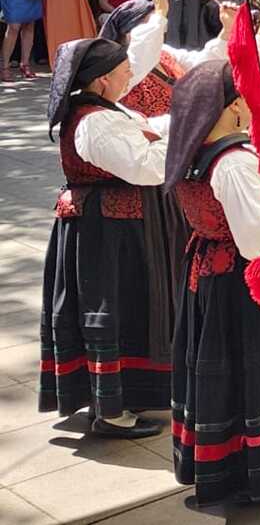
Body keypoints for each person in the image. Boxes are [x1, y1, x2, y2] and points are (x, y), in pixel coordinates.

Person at [164, 59, 260, 504]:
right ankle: (255, 475)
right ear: (233, 105)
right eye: (244, 95)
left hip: (208, 270)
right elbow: (259, 238)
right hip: (240, 284)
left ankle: (228, 466)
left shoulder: (188, 146)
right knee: (253, 373)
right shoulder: (233, 162)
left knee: (226, 371)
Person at [40, 38, 174, 437]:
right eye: (122, 71)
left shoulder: (105, 110)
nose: (130, 74)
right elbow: (146, 168)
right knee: (109, 308)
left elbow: (145, 129)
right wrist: (183, 138)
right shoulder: (95, 122)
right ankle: (111, 411)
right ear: (101, 80)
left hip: (115, 226)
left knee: (128, 307)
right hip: (103, 232)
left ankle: (124, 396)